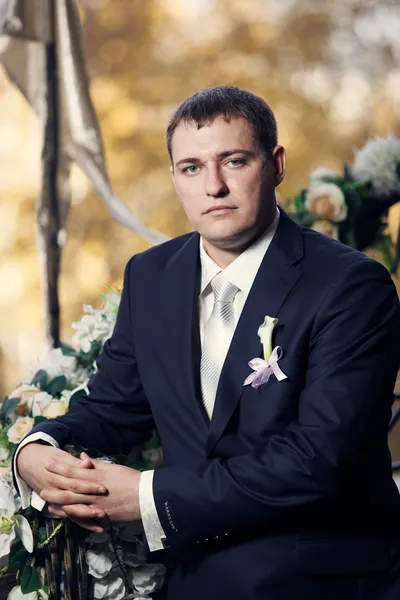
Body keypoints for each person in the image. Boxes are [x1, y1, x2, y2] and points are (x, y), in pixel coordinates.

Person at [15, 85, 400, 599]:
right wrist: (38, 449)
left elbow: (318, 460)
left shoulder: (351, 286)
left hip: (321, 582)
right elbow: (113, 409)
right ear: (175, 178)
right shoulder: (151, 276)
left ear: (276, 164)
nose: (213, 185)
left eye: (234, 161)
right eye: (192, 168)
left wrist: (148, 497)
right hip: (194, 581)